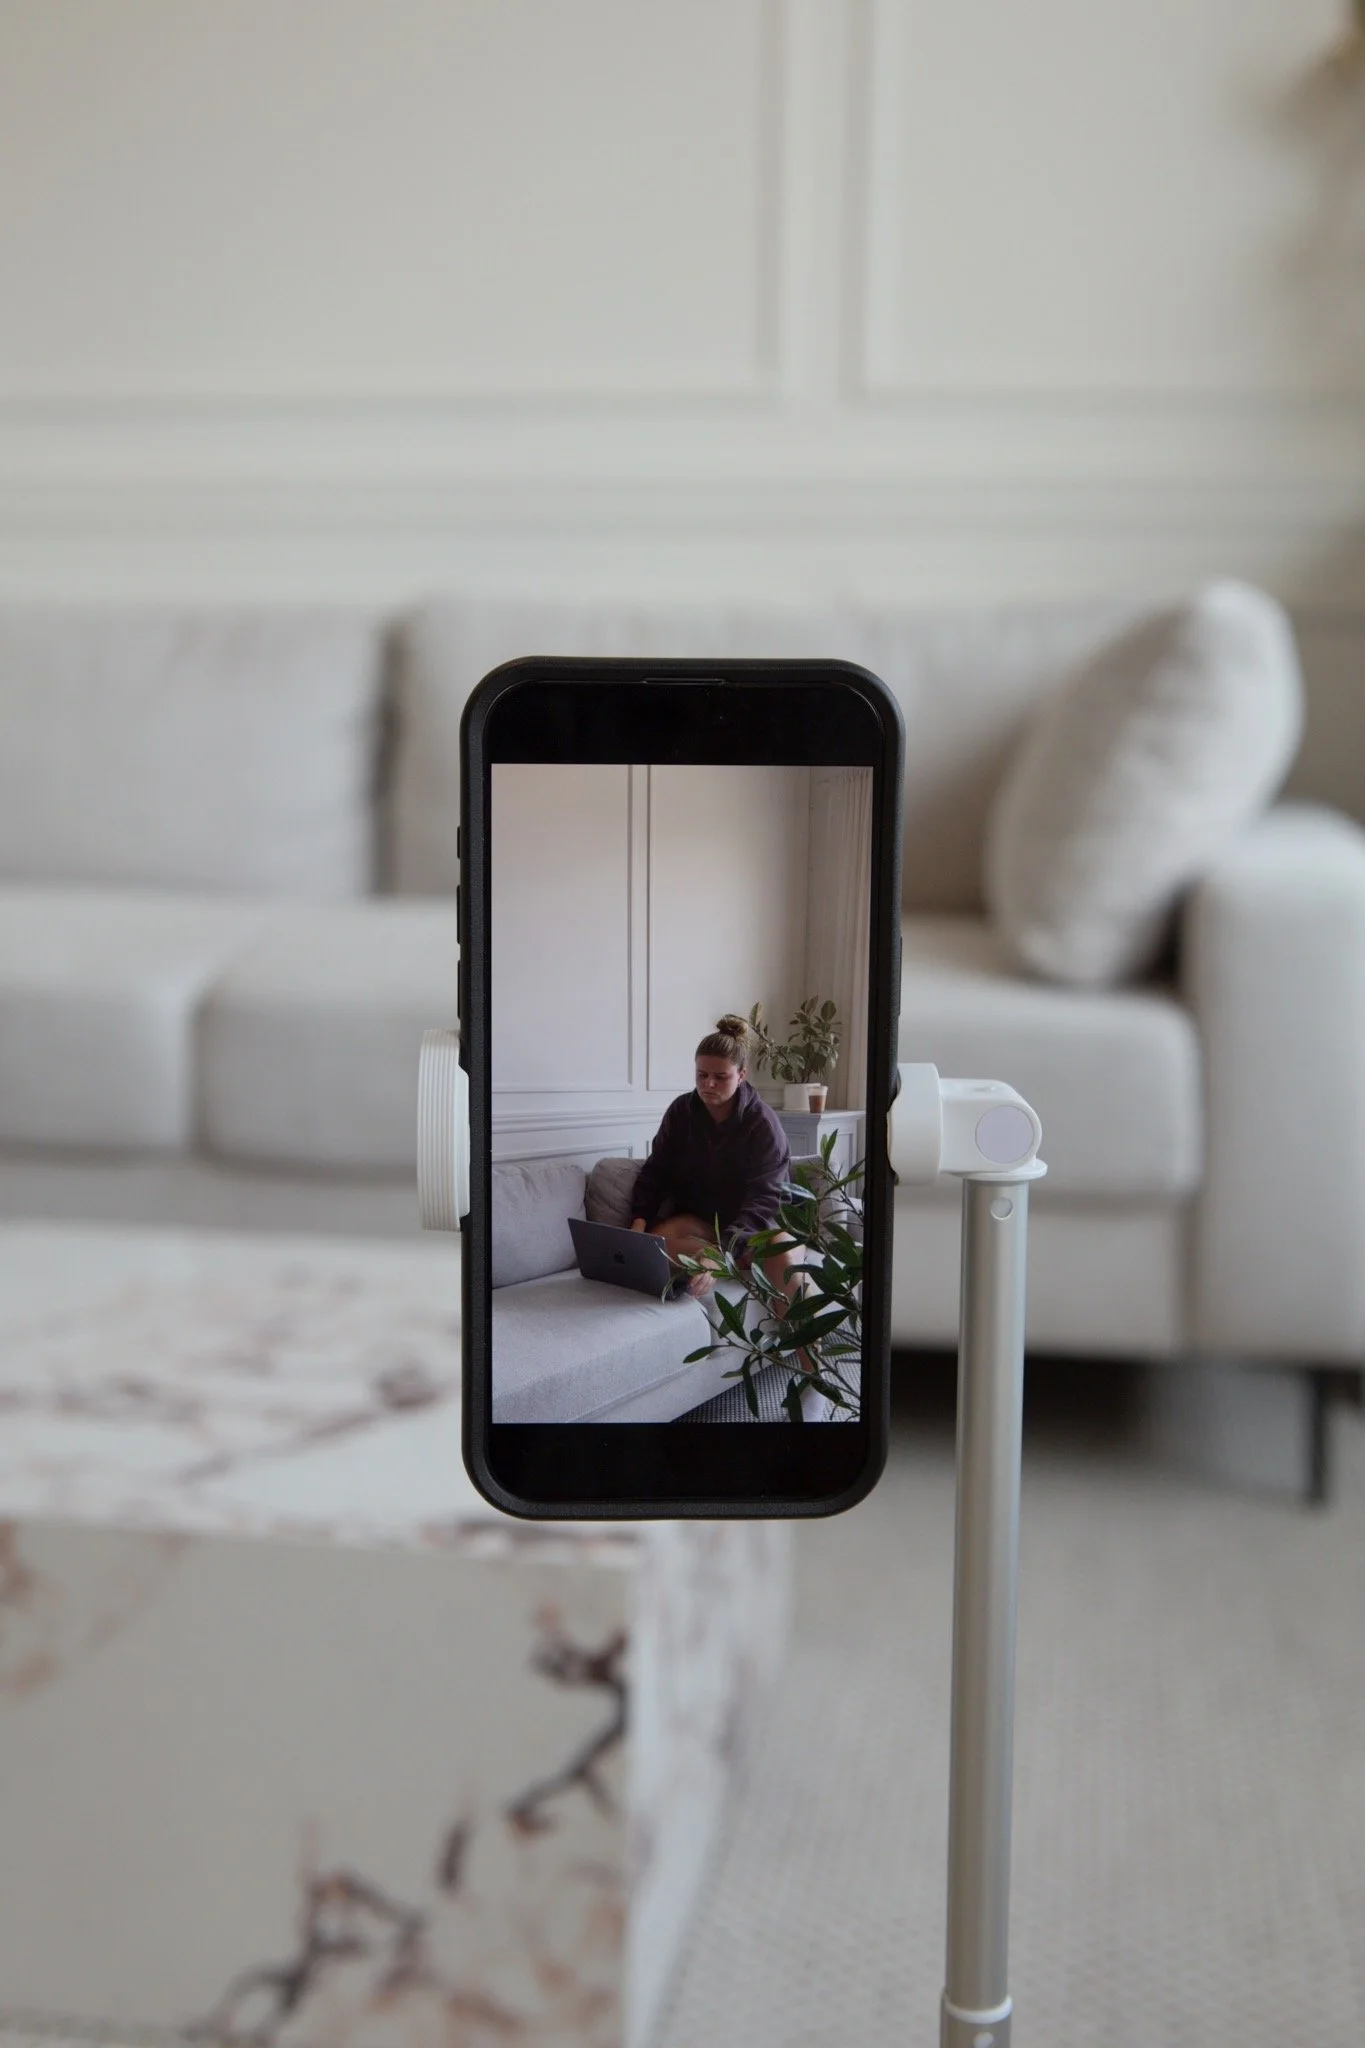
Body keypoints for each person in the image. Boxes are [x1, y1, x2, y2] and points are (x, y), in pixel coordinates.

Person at [629, 1014, 801, 1311]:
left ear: (742, 1075)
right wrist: (638, 1225)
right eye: (701, 1075)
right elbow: (656, 1171)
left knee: (779, 1253)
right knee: (651, 1245)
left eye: (720, 1077)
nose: (708, 1084)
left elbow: (765, 1200)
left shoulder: (762, 1124)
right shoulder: (681, 1111)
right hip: (706, 1225)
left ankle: (809, 1357)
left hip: (759, 1227)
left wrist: (724, 1252)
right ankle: (720, 1258)